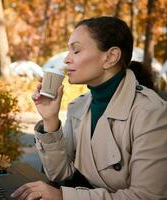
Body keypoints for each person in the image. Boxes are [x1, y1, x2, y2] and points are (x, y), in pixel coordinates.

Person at [11, 16, 167, 200]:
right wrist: (50, 119)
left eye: (76, 51)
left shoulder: (151, 112)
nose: (67, 60)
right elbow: (60, 174)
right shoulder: (78, 106)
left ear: (110, 57)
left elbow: (146, 196)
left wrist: (63, 196)